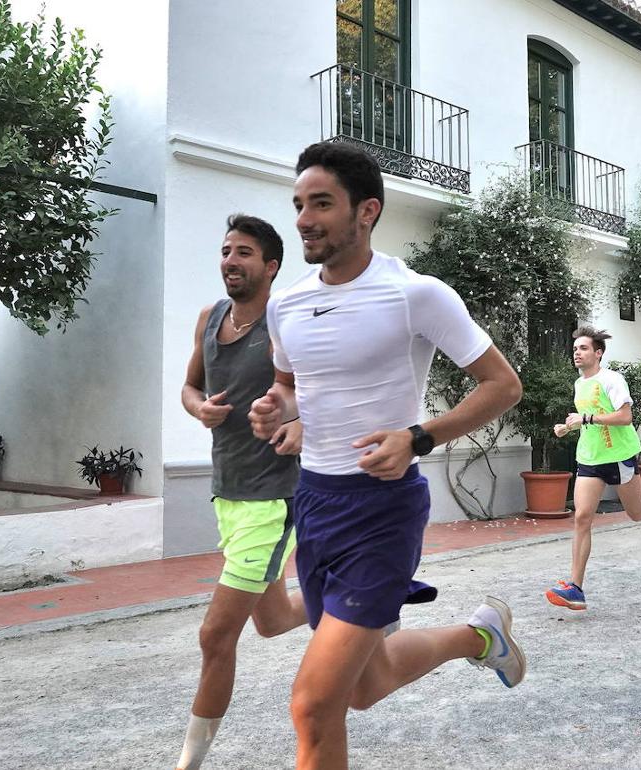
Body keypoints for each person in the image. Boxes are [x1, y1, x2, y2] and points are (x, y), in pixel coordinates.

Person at [248, 141, 526, 770]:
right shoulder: (286, 304)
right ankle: (479, 636)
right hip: (315, 503)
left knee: (313, 705)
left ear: (367, 211)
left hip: (381, 510)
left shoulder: (415, 294)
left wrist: (418, 437)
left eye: (322, 204)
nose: (304, 220)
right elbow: (289, 387)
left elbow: (503, 386)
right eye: (299, 204)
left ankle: (479, 635)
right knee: (364, 687)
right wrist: (274, 408)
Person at [174, 215, 308, 770]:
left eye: (244, 252)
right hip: (227, 491)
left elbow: (321, 394)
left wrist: (301, 425)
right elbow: (189, 386)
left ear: (270, 266)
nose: (230, 260)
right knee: (272, 621)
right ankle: (360, 595)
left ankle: (188, 763)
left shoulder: (286, 324)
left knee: (215, 636)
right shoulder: (209, 318)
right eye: (226, 250)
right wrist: (198, 408)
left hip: (274, 497)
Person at [545, 326, 641, 611]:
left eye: (583, 348)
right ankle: (575, 588)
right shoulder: (579, 383)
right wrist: (569, 427)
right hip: (590, 457)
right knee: (582, 517)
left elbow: (624, 417)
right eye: (575, 349)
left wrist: (586, 418)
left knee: (636, 513)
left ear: (598, 353)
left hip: (618, 456)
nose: (577, 353)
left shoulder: (612, 379)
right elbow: (589, 420)